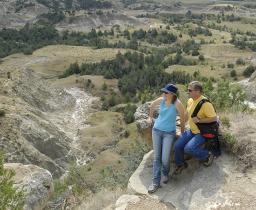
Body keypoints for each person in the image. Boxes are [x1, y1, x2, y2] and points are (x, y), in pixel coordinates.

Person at [147, 83, 185, 193]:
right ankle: (155, 183)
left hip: (169, 133)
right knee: (157, 157)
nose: (163, 93)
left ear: (172, 94)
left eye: (165, 92)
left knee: (165, 158)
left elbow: (182, 118)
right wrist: (150, 118)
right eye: (163, 91)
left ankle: (165, 173)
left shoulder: (178, 104)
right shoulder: (161, 99)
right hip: (156, 130)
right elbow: (152, 105)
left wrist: (181, 133)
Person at [174, 81, 217, 175]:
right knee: (177, 145)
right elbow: (187, 114)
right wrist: (181, 122)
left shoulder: (205, 104)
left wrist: (199, 121)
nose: (187, 92)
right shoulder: (190, 100)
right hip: (192, 130)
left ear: (197, 91)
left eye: (190, 90)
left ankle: (208, 155)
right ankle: (181, 164)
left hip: (202, 132)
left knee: (188, 148)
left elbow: (214, 118)